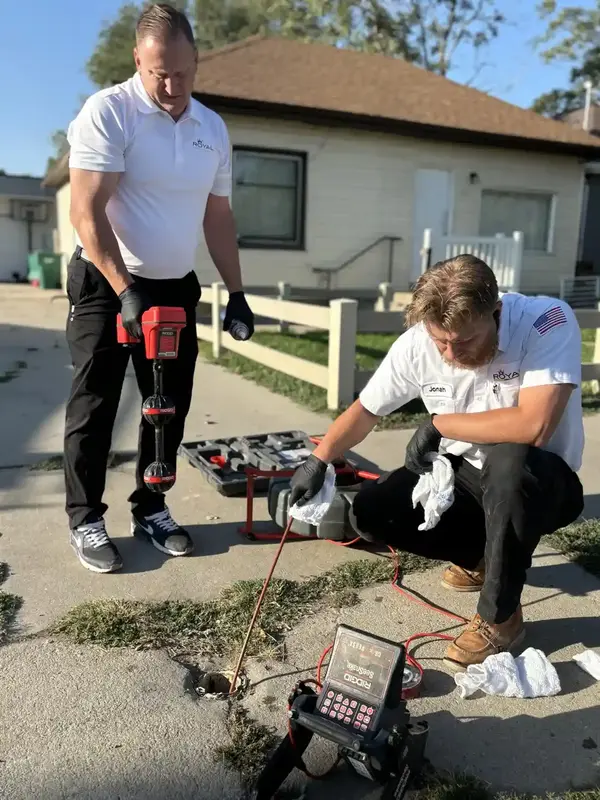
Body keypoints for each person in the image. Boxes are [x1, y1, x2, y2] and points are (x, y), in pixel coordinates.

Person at [289, 254, 585, 670]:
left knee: (510, 462)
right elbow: (367, 410)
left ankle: (501, 617)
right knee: (373, 512)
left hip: (540, 483)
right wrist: (318, 460)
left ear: (495, 312)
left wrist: (443, 424)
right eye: (439, 341)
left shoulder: (546, 321)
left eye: (463, 341)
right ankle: (486, 561)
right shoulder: (417, 344)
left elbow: (533, 425)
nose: (449, 353)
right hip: (468, 477)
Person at [63, 3, 254, 573]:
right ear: (137, 62)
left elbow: (217, 217)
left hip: (174, 286)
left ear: (197, 61)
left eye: (182, 72)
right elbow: (87, 212)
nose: (171, 86)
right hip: (106, 281)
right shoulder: (109, 112)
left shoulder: (211, 128)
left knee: (165, 406)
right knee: (95, 405)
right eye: (157, 73)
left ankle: (151, 505)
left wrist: (237, 292)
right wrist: (125, 290)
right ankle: (86, 518)